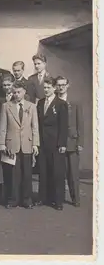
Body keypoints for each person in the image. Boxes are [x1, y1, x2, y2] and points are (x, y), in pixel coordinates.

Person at [0, 81, 39, 209]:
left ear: (24, 92)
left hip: (27, 143)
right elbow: (3, 126)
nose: (16, 95)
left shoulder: (31, 106)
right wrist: (2, 144)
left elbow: (35, 127)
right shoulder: (6, 106)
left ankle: (27, 199)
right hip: (12, 144)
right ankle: (13, 199)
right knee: (13, 174)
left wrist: (35, 144)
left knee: (27, 173)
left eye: (19, 92)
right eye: (14, 92)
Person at [36, 77, 69, 210]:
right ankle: (43, 198)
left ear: (54, 88)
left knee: (57, 172)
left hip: (55, 143)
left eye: (49, 87)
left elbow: (63, 125)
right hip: (43, 142)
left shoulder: (61, 104)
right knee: (43, 171)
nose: (46, 90)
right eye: (44, 88)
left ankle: (58, 200)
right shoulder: (40, 103)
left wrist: (62, 144)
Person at [55, 76, 83, 207]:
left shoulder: (75, 102)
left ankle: (75, 199)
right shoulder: (54, 101)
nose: (61, 87)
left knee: (73, 173)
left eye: (63, 85)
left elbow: (80, 123)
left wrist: (80, 142)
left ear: (68, 85)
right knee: (59, 172)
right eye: (58, 85)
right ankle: (57, 198)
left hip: (72, 141)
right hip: (57, 142)